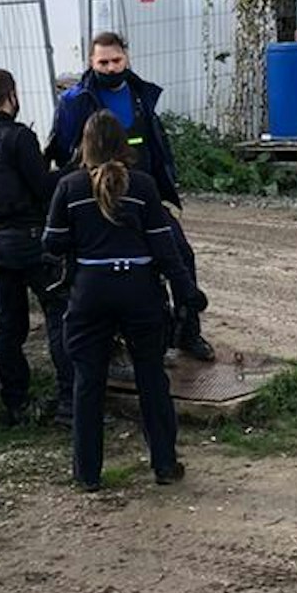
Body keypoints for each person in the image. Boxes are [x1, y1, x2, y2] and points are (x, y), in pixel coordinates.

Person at [42, 110, 201, 491]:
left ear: (85, 145)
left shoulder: (69, 187)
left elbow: (52, 242)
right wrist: (187, 295)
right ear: (123, 145)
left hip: (90, 293)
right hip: (140, 291)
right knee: (151, 376)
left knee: (88, 381)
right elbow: (166, 249)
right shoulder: (143, 187)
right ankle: (164, 464)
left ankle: (87, 474)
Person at [46, 31, 215, 361]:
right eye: (103, 62)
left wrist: (165, 188)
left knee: (181, 256)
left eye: (116, 60)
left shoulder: (141, 94)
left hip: (143, 195)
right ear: (91, 63)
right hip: (95, 199)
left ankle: (188, 332)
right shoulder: (75, 102)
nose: (110, 68)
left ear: (127, 58)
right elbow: (61, 153)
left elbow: (155, 145)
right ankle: (109, 339)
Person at [0, 68, 70, 426]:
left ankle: (16, 403)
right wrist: (68, 171)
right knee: (59, 312)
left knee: (10, 327)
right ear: (12, 95)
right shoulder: (17, 136)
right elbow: (42, 188)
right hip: (28, 241)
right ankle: (71, 400)